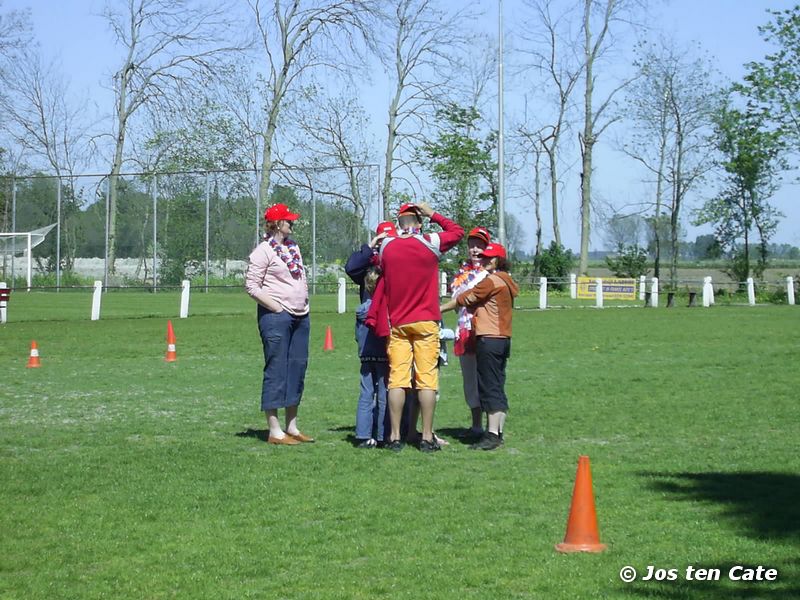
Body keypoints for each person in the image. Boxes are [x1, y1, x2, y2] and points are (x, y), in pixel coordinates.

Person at [367, 201, 464, 452]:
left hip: (398, 321)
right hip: (426, 319)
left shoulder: (387, 245)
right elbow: (457, 232)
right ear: (419, 223)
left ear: (399, 222)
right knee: (426, 381)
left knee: (397, 380)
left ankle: (396, 436)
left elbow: (373, 262)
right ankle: (427, 436)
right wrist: (432, 212)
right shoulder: (430, 241)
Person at [245, 203, 314, 446]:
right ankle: (274, 431)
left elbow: (300, 276)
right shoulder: (263, 251)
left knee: (297, 368)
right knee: (277, 369)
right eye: (288, 220)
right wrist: (276, 307)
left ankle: (292, 426)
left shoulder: (293, 247)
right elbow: (251, 286)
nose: (292, 223)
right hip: (276, 318)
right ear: (276, 224)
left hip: (301, 315)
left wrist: (303, 300)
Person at [441, 243, 518, 451]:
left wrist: (437, 310)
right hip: (503, 338)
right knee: (498, 384)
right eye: (483, 257)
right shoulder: (506, 280)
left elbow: (465, 298)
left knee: (489, 386)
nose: (483, 260)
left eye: (489, 258)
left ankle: (491, 435)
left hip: (489, 337)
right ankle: (498, 431)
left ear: (498, 261)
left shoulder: (490, 281)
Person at [448, 226, 492, 438]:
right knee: (469, 380)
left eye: (480, 245)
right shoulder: (461, 274)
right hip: (464, 331)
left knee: (487, 378)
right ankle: (476, 425)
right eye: (472, 245)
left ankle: (492, 426)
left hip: (485, 331)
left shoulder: (491, 273)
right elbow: (456, 301)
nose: (475, 250)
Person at [353, 267, 388, 449]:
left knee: (365, 394)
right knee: (383, 395)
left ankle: (363, 434)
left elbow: (357, 335)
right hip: (383, 355)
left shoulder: (361, 310)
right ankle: (382, 434)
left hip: (365, 356)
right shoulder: (383, 308)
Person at [345, 221, 396, 302]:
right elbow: (351, 268)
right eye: (384, 239)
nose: (388, 242)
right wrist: (369, 247)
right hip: (371, 308)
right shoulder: (369, 259)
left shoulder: (400, 257)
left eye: (391, 238)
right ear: (378, 241)